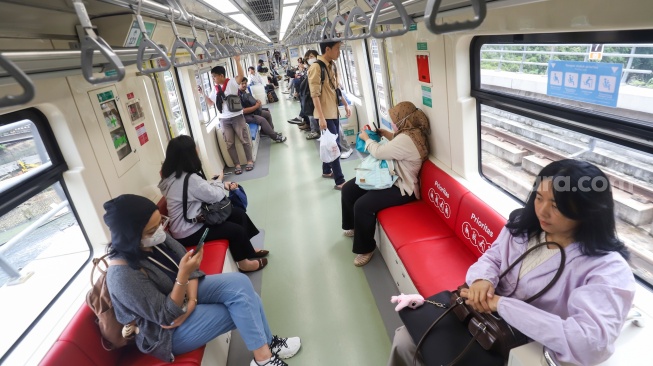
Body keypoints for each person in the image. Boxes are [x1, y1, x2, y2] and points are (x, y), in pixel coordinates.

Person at [387, 159, 637, 366]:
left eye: (557, 205)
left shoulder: (607, 269)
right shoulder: (524, 227)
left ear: (587, 211)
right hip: (478, 317)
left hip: (521, 345)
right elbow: (493, 257)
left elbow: (589, 343)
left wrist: (502, 305)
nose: (542, 211)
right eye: (539, 198)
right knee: (405, 339)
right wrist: (483, 280)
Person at [103, 194, 301, 366]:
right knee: (245, 306)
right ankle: (263, 357)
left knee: (241, 286)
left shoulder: (158, 239)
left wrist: (192, 301)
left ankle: (265, 349)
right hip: (166, 335)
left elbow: (189, 265)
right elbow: (166, 317)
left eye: (159, 224)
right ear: (130, 236)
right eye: (151, 231)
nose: (159, 232)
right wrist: (183, 277)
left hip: (186, 297)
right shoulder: (122, 276)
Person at [158, 135, 268, 273]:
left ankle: (248, 250)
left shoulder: (172, 176)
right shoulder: (189, 179)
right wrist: (220, 181)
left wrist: (217, 184)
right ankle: (244, 264)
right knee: (235, 231)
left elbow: (199, 190)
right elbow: (216, 196)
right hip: (189, 231)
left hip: (187, 223)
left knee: (238, 214)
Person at [341, 102, 430, 266]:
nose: (393, 123)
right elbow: (397, 141)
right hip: (389, 176)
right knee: (349, 189)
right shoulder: (412, 132)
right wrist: (385, 133)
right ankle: (352, 225)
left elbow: (379, 152)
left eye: (395, 120)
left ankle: (366, 248)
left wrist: (366, 138)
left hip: (402, 188)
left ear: (404, 120)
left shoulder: (407, 139)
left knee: (362, 205)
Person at [198, 56, 254, 175]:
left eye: (214, 77)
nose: (213, 79)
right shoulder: (215, 89)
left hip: (237, 116)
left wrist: (238, 61)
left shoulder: (232, 83)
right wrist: (203, 94)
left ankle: (249, 161)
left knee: (244, 139)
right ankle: (237, 164)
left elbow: (240, 75)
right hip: (224, 119)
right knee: (229, 143)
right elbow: (210, 103)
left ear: (221, 76)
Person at [309, 39, 351, 190]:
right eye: (337, 48)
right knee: (334, 146)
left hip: (333, 111)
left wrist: (345, 104)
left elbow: (335, 88)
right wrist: (320, 117)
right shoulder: (316, 67)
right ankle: (340, 181)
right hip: (324, 114)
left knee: (330, 143)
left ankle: (326, 170)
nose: (339, 52)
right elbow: (315, 95)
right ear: (328, 49)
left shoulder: (332, 65)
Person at [239, 78, 286, 143]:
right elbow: (243, 111)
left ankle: (267, 132)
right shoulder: (238, 95)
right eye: (242, 83)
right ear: (238, 84)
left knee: (267, 114)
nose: (244, 85)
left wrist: (257, 101)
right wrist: (256, 106)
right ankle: (275, 137)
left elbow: (250, 101)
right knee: (262, 120)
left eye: (245, 83)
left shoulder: (244, 92)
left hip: (252, 112)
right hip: (245, 116)